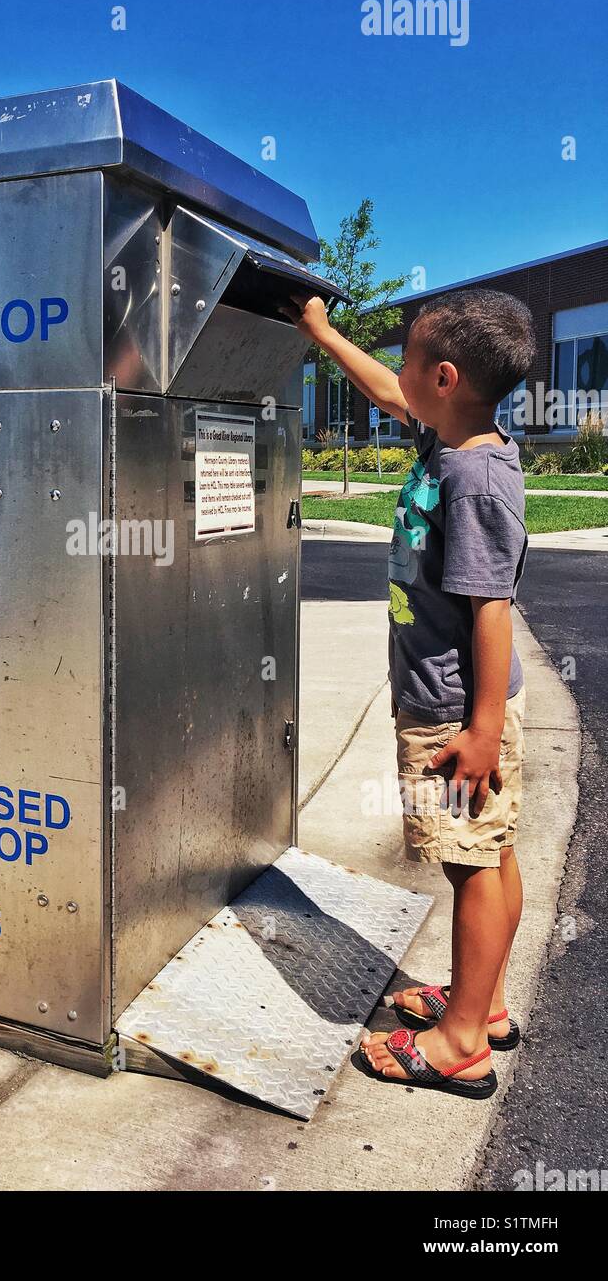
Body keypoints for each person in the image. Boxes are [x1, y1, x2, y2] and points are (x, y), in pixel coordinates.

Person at [287, 288, 535, 1099]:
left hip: (454, 711)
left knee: (469, 865)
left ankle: (461, 1042)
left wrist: (481, 729)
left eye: (410, 358)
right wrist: (320, 333)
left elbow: (489, 607)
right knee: (490, 853)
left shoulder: (470, 478)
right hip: (456, 705)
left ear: (446, 377)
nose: (397, 373)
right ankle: (484, 1003)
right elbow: (387, 391)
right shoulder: (454, 434)